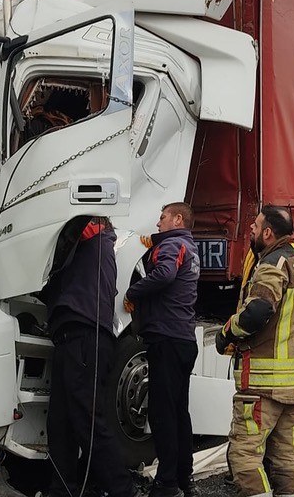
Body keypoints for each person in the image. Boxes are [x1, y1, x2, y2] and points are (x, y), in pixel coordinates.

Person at [215, 205, 294, 497]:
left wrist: (227, 333)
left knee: (244, 457)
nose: (251, 228)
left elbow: (257, 311)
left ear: (268, 233)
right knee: (287, 460)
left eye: (256, 225)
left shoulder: (272, 264)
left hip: (265, 382)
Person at [41, 216, 143, 497]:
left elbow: (75, 222)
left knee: (88, 421)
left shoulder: (96, 240)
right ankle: (61, 490)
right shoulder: (93, 251)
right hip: (73, 337)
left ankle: (123, 490)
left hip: (85, 338)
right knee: (60, 422)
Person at [125, 203, 201, 497]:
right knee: (179, 412)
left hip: (166, 339)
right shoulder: (190, 248)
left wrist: (133, 292)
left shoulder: (172, 246)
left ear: (177, 219)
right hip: (184, 339)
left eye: (162, 217)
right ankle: (185, 478)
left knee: (162, 415)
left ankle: (166, 484)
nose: (158, 223)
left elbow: (165, 274)